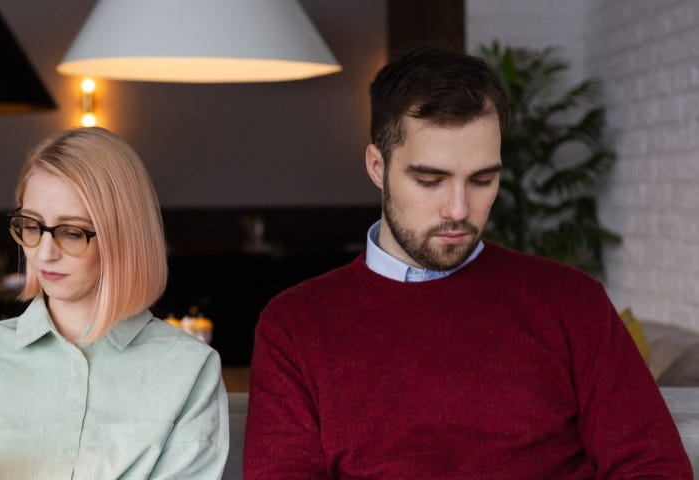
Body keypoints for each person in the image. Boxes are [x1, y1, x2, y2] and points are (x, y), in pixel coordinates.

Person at [244, 47, 691, 479]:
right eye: (430, 180)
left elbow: (654, 467)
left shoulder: (572, 302)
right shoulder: (296, 325)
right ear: (378, 167)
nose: (459, 209)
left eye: (482, 179)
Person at [0, 127, 229, 479]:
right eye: (31, 226)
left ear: (126, 238)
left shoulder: (189, 370)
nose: (44, 253)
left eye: (72, 232)